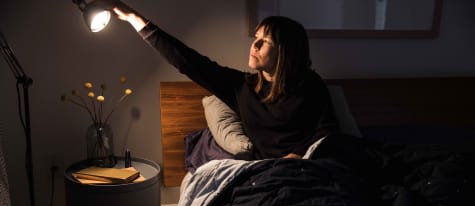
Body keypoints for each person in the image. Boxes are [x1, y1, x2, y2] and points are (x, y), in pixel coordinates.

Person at [111, 1, 340, 159]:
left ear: (286, 51)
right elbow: (187, 61)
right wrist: (135, 19)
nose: (255, 45)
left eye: (266, 41)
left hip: (309, 166)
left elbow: (327, 130)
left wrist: (298, 155)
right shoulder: (241, 87)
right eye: (256, 37)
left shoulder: (310, 84)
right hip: (268, 170)